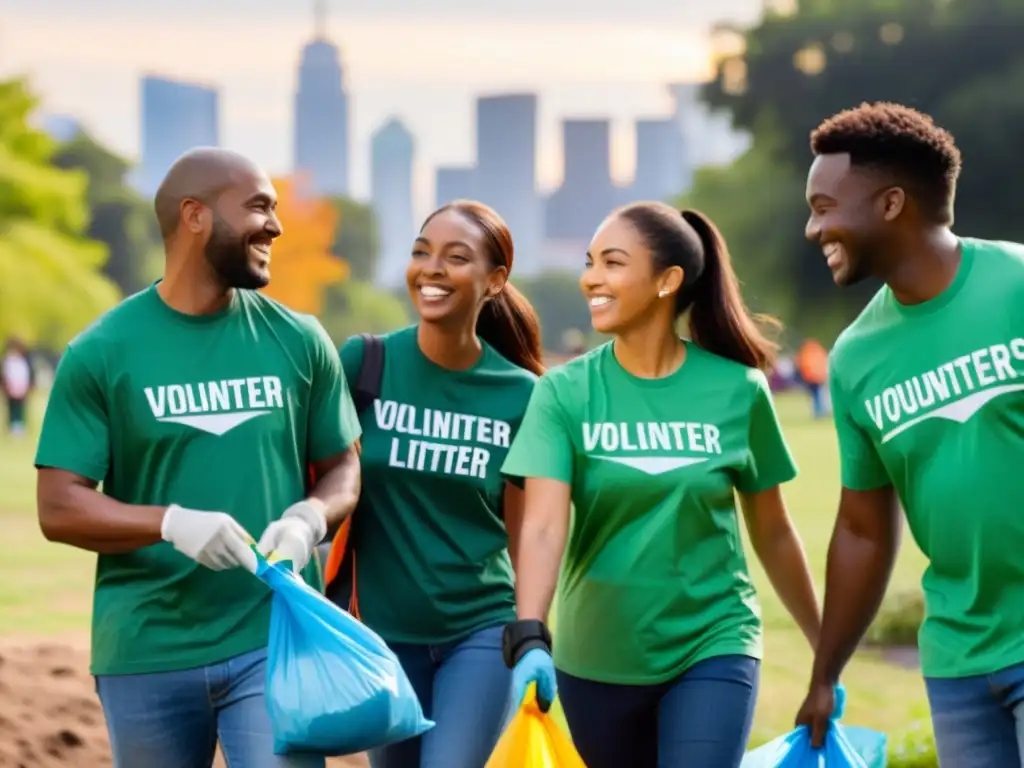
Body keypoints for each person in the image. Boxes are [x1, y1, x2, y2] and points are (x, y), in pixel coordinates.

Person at [33, 147, 362, 768]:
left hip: (273, 637)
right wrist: (169, 523)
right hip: (145, 648)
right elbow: (59, 506)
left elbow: (343, 464)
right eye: (259, 207)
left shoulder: (299, 340)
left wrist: (309, 520)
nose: (276, 225)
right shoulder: (101, 352)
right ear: (195, 216)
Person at [500, 201, 823, 768]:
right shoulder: (564, 393)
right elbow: (545, 526)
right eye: (590, 262)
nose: (591, 278)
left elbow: (773, 532)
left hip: (714, 642)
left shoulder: (739, 391)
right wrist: (529, 632)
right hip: (595, 655)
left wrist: (827, 649)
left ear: (667, 281)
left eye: (613, 263)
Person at [793, 102, 1024, 767]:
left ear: (891, 204)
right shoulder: (855, 358)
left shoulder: (1014, 286)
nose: (813, 229)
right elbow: (864, 529)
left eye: (823, 205)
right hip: (958, 664)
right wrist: (825, 672)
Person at [325, 200, 544, 768]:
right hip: (381, 636)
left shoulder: (521, 395)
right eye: (422, 252)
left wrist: (533, 637)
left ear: (495, 280)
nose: (432, 268)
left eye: (456, 257)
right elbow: (318, 477)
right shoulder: (365, 364)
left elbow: (527, 536)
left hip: (479, 631)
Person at [2, 337, 33, 436]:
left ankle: (20, 425)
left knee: (20, 406)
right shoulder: (7, 360)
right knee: (12, 406)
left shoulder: (23, 361)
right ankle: (12, 425)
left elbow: (27, 374)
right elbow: (5, 374)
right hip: (11, 387)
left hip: (21, 387)